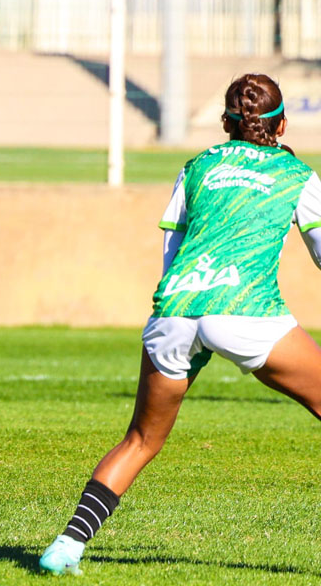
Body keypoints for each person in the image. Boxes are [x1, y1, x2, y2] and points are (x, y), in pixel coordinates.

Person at [39, 74, 321, 575]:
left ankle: (66, 547)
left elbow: (171, 252)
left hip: (174, 310)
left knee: (141, 440)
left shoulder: (197, 167)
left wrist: (185, 307)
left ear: (224, 123)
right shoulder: (296, 174)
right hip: (246, 309)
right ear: (280, 122)